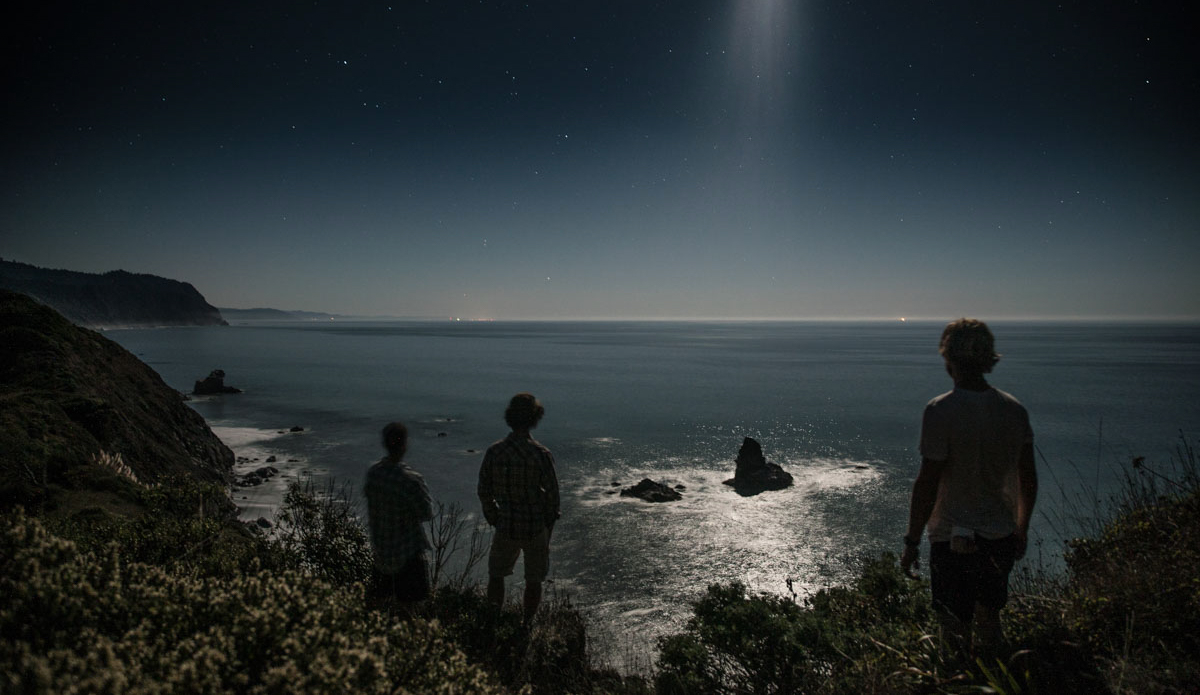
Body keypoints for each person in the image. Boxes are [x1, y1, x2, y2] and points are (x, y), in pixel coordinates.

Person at [900, 318, 1038, 654]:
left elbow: (928, 482)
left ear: (949, 358)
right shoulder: (1014, 410)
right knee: (990, 624)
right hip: (1000, 537)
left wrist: (912, 541)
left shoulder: (941, 411)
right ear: (988, 357)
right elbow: (1028, 477)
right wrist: (1021, 528)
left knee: (954, 634)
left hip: (951, 539)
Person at [477, 393, 560, 622]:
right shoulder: (541, 454)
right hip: (535, 527)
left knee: (496, 575)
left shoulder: (495, 452)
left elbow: (484, 489)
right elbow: (553, 498)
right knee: (534, 580)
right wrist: (547, 528)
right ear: (535, 419)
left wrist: (494, 516)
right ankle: (526, 624)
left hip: (506, 525)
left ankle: (493, 620)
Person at [364, 421, 434, 609]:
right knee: (409, 609)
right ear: (404, 445)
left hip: (381, 551)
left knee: (378, 606)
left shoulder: (374, 473)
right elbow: (426, 513)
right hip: (407, 554)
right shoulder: (411, 480)